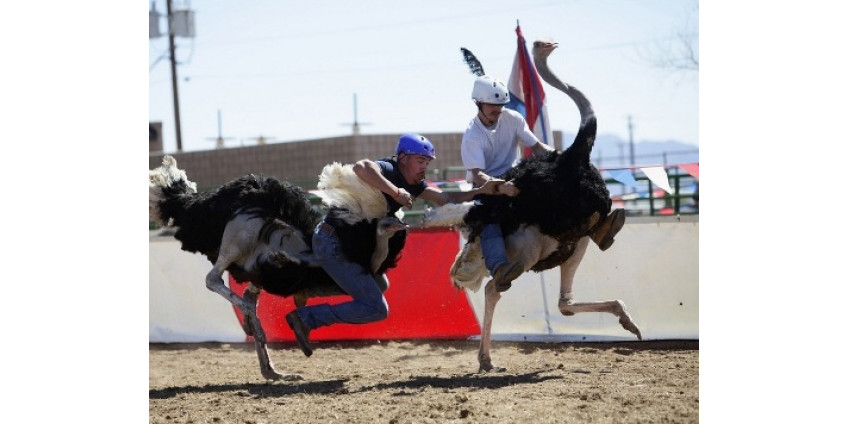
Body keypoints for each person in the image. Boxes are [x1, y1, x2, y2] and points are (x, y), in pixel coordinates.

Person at [286, 133, 506, 357]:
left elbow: (446, 199)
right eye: (420, 161)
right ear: (403, 158)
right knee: (376, 308)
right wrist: (395, 192)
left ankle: (310, 289)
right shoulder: (389, 169)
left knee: (380, 284)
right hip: (331, 243)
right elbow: (361, 167)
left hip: (341, 243)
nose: (424, 167)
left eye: (427, 163)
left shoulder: (414, 184)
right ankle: (305, 318)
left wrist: (481, 191)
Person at [460, 75, 626, 292]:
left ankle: (597, 229)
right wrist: (499, 187)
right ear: (479, 103)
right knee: (487, 218)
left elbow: (537, 147)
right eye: (492, 105)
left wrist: (562, 159)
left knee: (555, 186)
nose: (497, 109)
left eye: (500, 105)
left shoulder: (513, 119)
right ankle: (500, 269)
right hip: (487, 188)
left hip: (514, 177)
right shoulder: (472, 136)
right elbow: (477, 175)